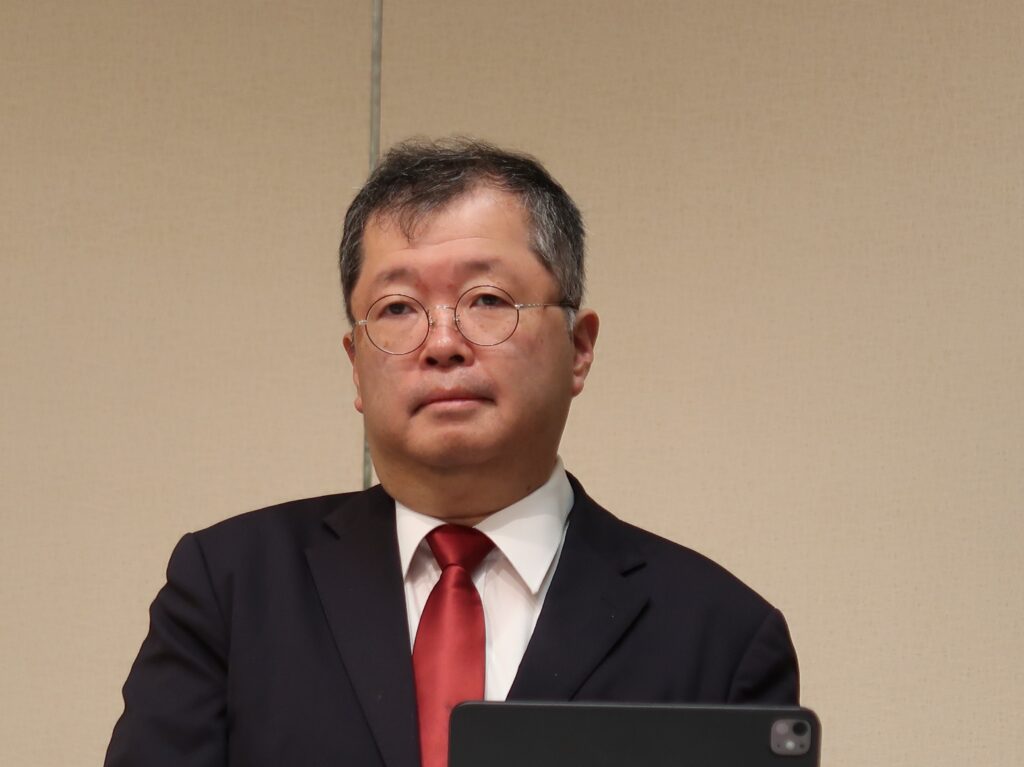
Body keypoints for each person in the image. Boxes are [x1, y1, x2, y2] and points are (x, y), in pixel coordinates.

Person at [104, 138, 799, 767]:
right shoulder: (231, 590)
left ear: (579, 348)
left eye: (487, 299)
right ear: (355, 366)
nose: (442, 343)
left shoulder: (720, 635)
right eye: (398, 308)